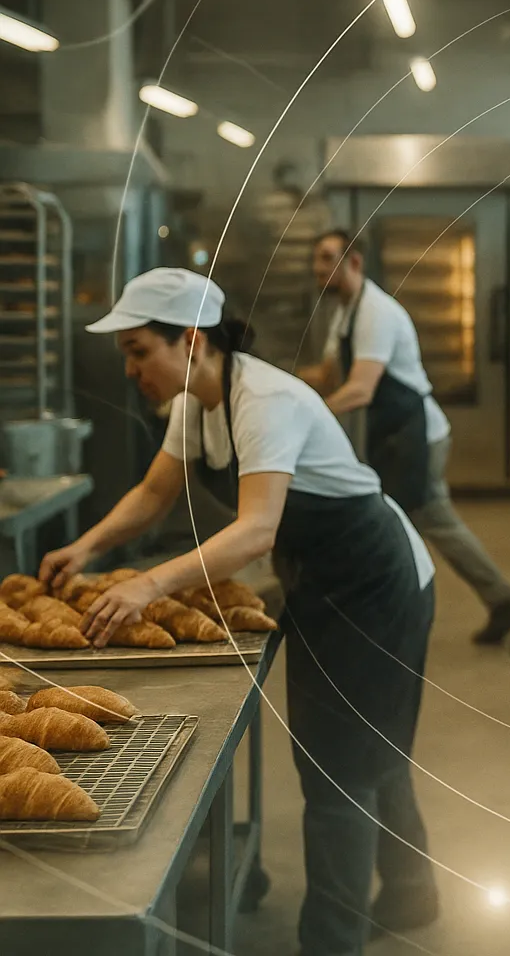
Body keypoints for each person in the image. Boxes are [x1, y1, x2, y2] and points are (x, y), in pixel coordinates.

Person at [41, 268, 440, 954]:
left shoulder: (264, 399)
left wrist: (149, 585)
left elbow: (257, 529)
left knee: (339, 770)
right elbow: (154, 492)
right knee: (369, 747)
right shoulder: (197, 405)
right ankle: (411, 892)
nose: (132, 369)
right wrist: (85, 546)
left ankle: (331, 941)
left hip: (378, 582)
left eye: (140, 351)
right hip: (320, 578)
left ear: (191, 341)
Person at [301, 229, 510, 642]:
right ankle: (499, 599)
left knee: (414, 522)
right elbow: (330, 376)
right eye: (316, 260)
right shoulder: (346, 312)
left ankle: (482, 601)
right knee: (417, 521)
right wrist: (281, 383)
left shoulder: (376, 313)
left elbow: (360, 389)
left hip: (416, 435)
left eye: (326, 258)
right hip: (393, 434)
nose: (317, 269)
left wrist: (305, 417)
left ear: (354, 262)